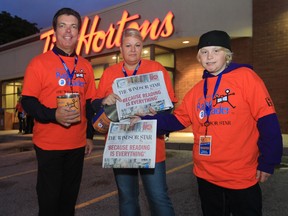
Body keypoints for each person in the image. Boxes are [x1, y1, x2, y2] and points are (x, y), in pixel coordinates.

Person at [131, 30, 283, 216]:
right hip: (206, 175)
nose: (209, 56)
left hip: (240, 175)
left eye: (216, 51)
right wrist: (144, 119)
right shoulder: (196, 90)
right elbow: (177, 119)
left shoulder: (246, 78)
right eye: (204, 52)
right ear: (199, 57)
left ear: (227, 55)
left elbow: (267, 120)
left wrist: (268, 161)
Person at [92, 28, 177, 216]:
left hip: (151, 144)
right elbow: (95, 104)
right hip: (120, 144)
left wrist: (156, 113)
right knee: (127, 197)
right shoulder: (109, 73)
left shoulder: (156, 69)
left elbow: (169, 106)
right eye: (128, 46)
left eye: (137, 45)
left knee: (158, 197)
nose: (133, 50)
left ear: (142, 48)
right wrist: (103, 101)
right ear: (120, 49)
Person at [21, 8, 97, 216]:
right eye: (63, 25)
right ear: (55, 31)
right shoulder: (38, 63)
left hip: (77, 144)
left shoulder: (85, 66)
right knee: (49, 201)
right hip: (48, 144)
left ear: (79, 32)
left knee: (69, 200)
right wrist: (54, 114)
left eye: (73, 26)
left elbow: (89, 104)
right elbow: (27, 101)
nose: (68, 31)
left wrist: (89, 135)